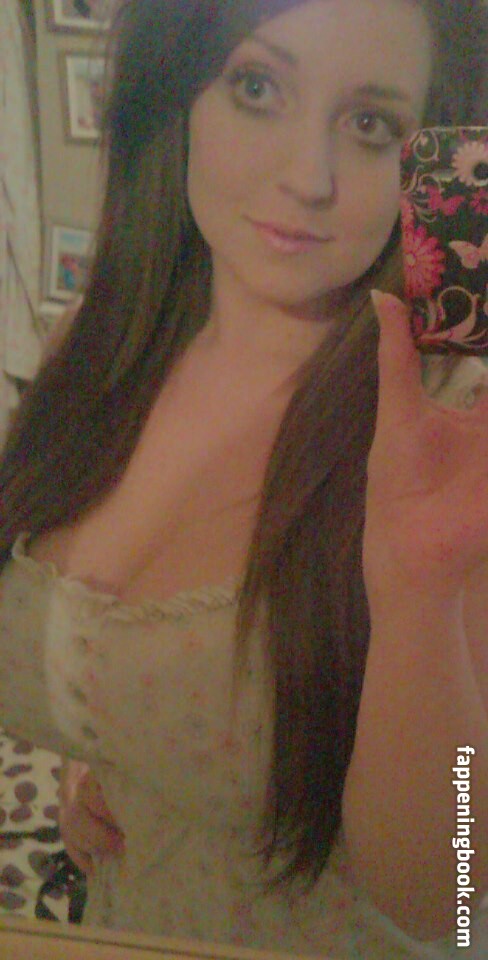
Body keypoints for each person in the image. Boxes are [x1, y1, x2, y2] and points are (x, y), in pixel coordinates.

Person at [0, 0, 487, 956]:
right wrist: (124, 758)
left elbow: (456, 897)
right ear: (176, 95)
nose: (308, 178)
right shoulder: (92, 351)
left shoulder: (450, 438)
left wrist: (422, 594)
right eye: (257, 87)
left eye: (371, 122)